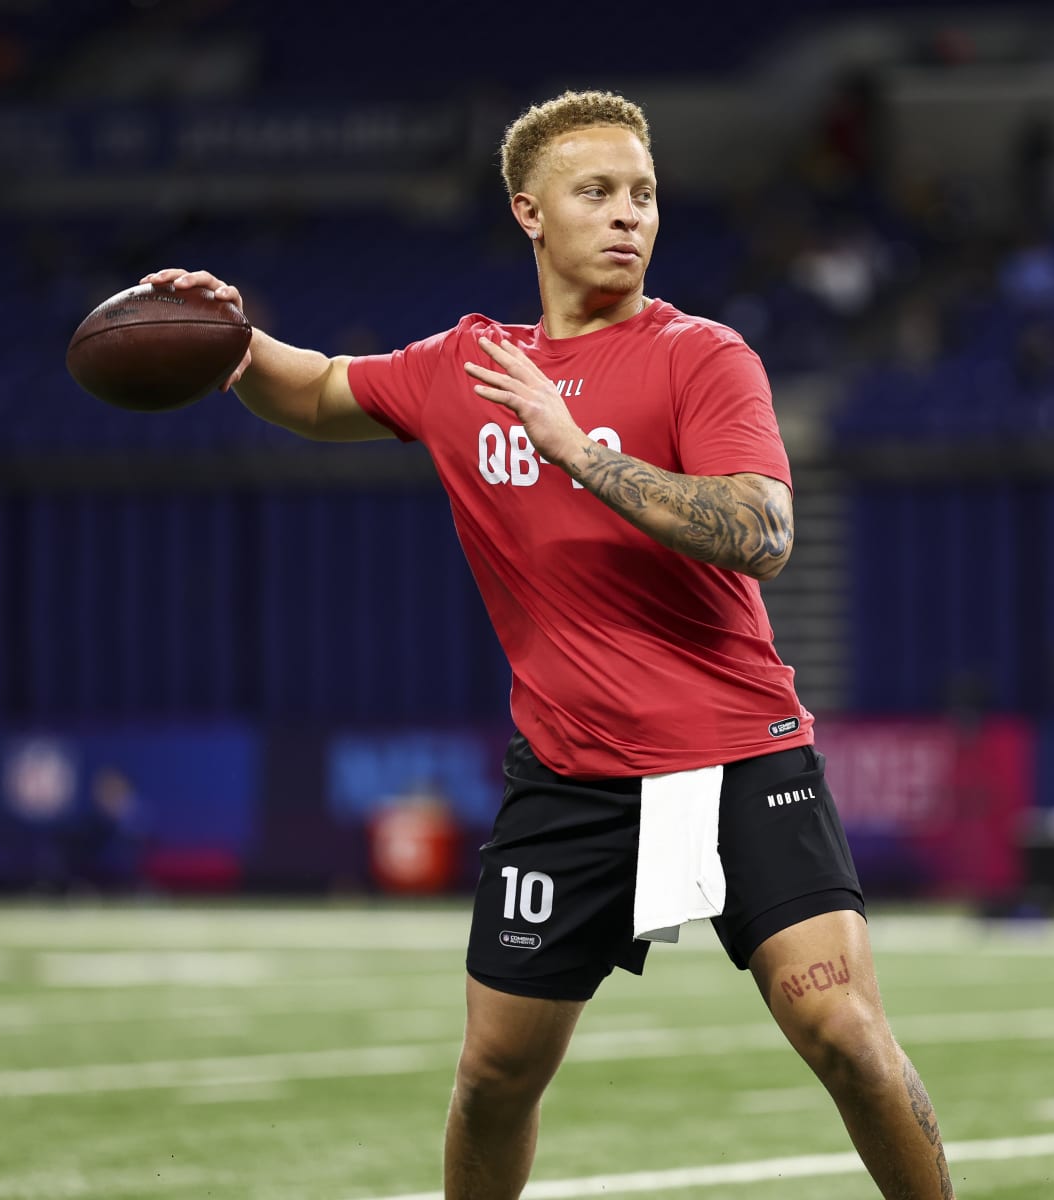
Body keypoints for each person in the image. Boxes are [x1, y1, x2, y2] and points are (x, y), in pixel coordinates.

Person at [140, 90, 955, 1199]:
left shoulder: (702, 357)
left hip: (739, 759)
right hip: (572, 782)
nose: (631, 215)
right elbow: (323, 390)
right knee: (493, 1077)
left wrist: (576, 450)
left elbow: (762, 533)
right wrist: (230, 343)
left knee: (847, 1036)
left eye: (646, 194)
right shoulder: (465, 367)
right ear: (529, 212)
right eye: (598, 192)